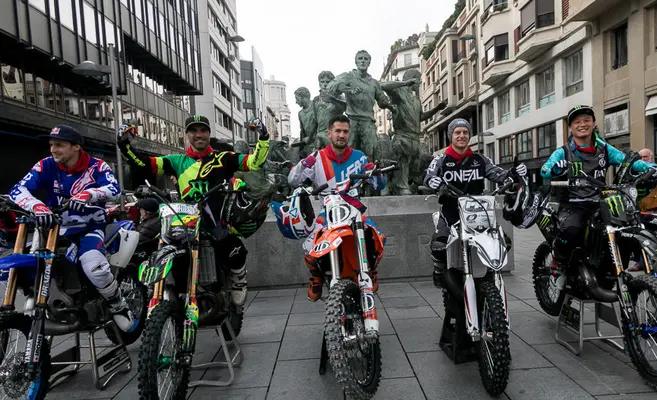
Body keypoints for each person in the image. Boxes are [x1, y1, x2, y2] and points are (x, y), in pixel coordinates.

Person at [117, 115, 271, 306]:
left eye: (203, 130)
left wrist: (263, 138)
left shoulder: (224, 158)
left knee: (232, 248)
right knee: (151, 240)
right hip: (184, 220)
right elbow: (144, 163)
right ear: (187, 135)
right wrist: (124, 146)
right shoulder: (176, 161)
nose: (199, 134)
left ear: (209, 133)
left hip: (216, 218)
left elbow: (255, 162)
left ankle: (238, 278)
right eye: (194, 131)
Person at [8, 125, 135, 331]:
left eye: (59, 145)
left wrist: (89, 194)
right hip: (53, 229)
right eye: (51, 145)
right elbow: (17, 189)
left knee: (95, 267)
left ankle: (118, 305)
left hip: (89, 228)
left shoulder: (98, 166)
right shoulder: (46, 165)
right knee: (30, 265)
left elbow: (114, 189)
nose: (53, 150)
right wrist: (37, 207)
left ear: (76, 147)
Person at [541, 105, 653, 290]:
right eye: (577, 122)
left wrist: (649, 168)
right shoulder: (564, 151)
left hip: (601, 203)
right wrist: (555, 168)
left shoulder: (605, 149)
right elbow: (546, 169)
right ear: (571, 127)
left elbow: (627, 160)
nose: (582, 124)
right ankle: (558, 263)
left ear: (593, 123)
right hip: (573, 204)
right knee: (571, 230)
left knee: (625, 231)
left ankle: (609, 270)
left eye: (586, 120)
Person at [285, 114, 386, 301]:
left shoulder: (360, 157)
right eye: (337, 131)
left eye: (345, 131)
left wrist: (376, 173)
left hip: (354, 211)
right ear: (329, 133)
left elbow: (379, 185)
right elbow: (292, 180)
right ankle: (316, 276)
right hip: (327, 213)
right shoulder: (317, 158)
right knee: (309, 247)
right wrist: (302, 165)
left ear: (349, 134)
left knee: (378, 238)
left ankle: (370, 270)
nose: (341, 135)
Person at [423, 118, 527, 288]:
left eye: (465, 132)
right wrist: (433, 182)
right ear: (451, 136)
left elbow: (499, 174)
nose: (461, 135)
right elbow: (428, 176)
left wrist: (515, 173)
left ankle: (488, 275)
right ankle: (439, 270)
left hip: (478, 213)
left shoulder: (480, 159)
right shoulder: (440, 160)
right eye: (457, 132)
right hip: (451, 212)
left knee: (503, 243)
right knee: (438, 246)